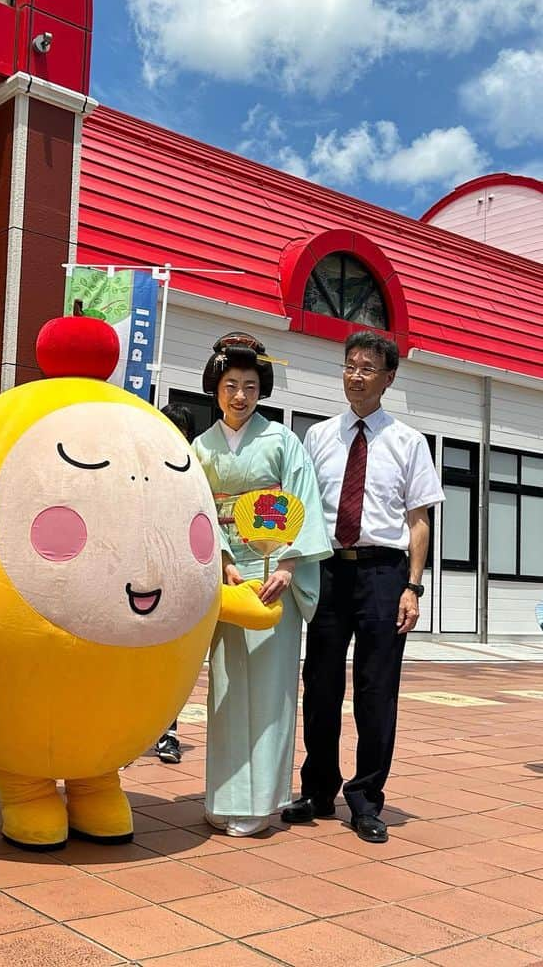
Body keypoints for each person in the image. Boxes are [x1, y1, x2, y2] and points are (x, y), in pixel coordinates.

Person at [283, 331, 443, 843]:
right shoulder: (319, 436)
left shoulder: (407, 441)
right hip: (329, 570)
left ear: (389, 378)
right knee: (321, 685)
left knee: (377, 691)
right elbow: (301, 511)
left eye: (368, 367)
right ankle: (318, 789)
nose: (356, 374)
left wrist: (413, 587)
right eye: (350, 365)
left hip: (383, 574)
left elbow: (418, 521)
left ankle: (367, 799)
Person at [193, 333, 331, 836]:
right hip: (229, 574)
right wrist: (223, 561)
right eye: (231, 385)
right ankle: (223, 795)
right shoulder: (200, 448)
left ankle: (257, 802)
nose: (240, 396)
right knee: (227, 687)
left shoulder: (282, 441)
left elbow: (305, 503)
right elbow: (200, 514)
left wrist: (290, 566)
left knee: (270, 691)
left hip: (276, 572)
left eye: (250, 386)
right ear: (215, 387)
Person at [155, 401, 196, 765]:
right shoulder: (144, 465)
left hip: (177, 582)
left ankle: (167, 734)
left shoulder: (192, 472)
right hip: (144, 579)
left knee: (169, 664)